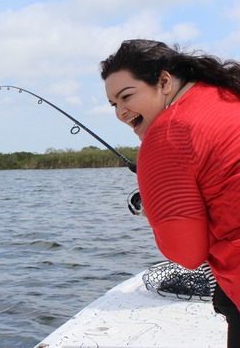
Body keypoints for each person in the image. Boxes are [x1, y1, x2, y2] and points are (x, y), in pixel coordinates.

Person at [100, 39, 240, 346]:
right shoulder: (227, 95)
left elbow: (187, 255)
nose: (121, 113)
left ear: (164, 81)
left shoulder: (167, 133)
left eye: (127, 97)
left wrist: (156, 206)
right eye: (114, 104)